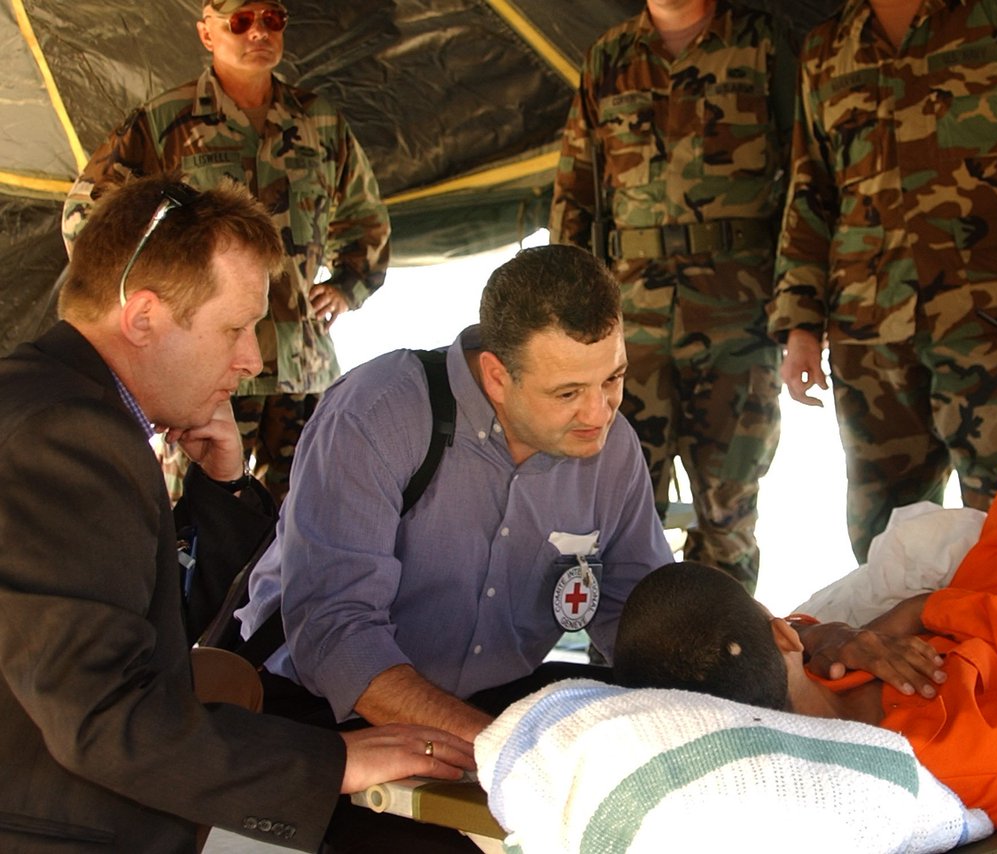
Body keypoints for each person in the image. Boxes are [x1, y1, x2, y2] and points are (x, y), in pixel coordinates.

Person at [0, 175, 471, 852]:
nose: (252, 360)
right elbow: (104, 715)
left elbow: (153, 628)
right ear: (143, 318)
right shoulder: (68, 438)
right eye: (235, 329)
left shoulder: (46, 404)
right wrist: (333, 762)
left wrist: (223, 488)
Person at [614, 314, 997, 829]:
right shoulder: (963, 755)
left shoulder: (795, 679)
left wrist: (836, 636)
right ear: (779, 637)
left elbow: (776, 638)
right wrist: (929, 611)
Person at [238, 243, 674, 738]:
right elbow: (336, 634)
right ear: (496, 377)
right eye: (568, 393)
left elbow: (637, 614)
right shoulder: (376, 415)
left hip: (491, 708)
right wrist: (499, 749)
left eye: (613, 378)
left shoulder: (612, 449)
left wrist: (711, 671)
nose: (599, 413)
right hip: (320, 709)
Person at [769, 0, 997, 563]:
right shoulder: (828, 48)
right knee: (885, 542)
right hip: (870, 334)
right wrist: (800, 324)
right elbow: (811, 193)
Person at [62, 0, 390, 506]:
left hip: (297, 365)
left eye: (271, 19)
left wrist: (347, 287)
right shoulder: (166, 120)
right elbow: (86, 217)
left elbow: (366, 219)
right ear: (207, 34)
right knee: (192, 515)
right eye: (240, 21)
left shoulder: (320, 122)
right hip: (201, 368)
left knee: (308, 513)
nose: (258, 32)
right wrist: (159, 294)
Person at [549, 0, 789, 592]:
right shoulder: (609, 58)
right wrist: (562, 319)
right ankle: (629, 644)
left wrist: (801, 308)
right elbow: (576, 189)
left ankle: (723, 643)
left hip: (739, 321)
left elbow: (809, 178)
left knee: (729, 512)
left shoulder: (763, 43)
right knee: (618, 508)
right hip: (626, 330)